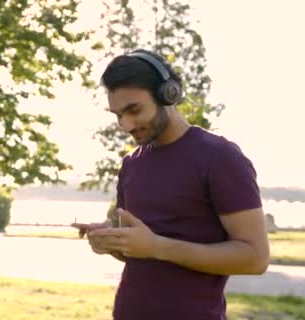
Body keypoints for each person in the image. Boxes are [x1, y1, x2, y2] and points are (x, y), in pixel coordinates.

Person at [85, 49, 270, 319]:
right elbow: (143, 253)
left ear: (167, 94)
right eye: (118, 115)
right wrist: (114, 243)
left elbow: (255, 258)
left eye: (134, 110)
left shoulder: (220, 157)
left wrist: (157, 246)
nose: (126, 125)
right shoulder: (131, 164)